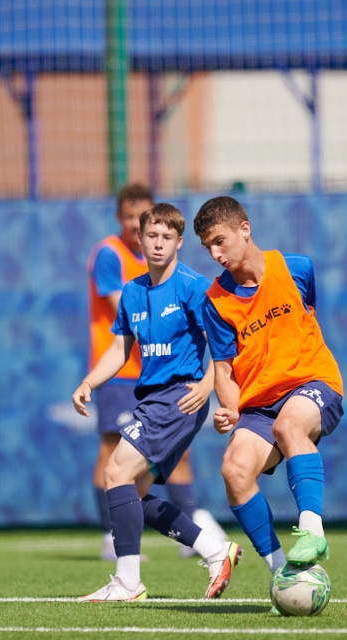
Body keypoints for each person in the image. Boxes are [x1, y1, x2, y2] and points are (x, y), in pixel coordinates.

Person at [73, 202, 243, 602]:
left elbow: (224, 344)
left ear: (180, 242)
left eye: (168, 237)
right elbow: (120, 348)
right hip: (151, 398)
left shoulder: (192, 286)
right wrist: (89, 382)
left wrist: (206, 385)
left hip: (179, 397)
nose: (159, 243)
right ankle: (216, 551)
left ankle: (128, 582)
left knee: (115, 472)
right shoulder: (132, 291)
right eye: (152, 235)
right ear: (140, 238)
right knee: (132, 491)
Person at [192, 195, 344, 594]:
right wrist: (229, 408)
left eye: (220, 240)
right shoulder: (215, 301)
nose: (214, 252)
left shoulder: (296, 268)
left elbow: (307, 316)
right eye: (208, 246)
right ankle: (282, 573)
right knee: (235, 470)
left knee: (289, 424)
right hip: (258, 404)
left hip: (312, 383)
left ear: (245, 229)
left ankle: (312, 530)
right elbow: (224, 369)